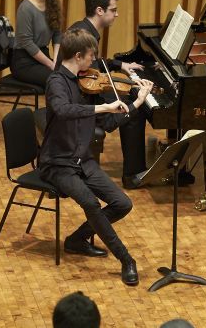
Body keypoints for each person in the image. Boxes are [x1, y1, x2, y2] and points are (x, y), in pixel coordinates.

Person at [38, 28, 154, 285]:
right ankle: (126, 260)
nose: (94, 62)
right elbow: (63, 110)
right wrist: (103, 106)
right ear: (78, 56)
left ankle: (77, 240)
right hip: (57, 163)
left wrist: (138, 102)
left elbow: (110, 124)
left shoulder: (87, 83)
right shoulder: (56, 82)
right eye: (91, 56)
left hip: (83, 160)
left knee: (122, 204)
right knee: (91, 203)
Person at [57, 0, 148, 189]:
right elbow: (84, 75)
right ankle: (133, 174)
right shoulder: (84, 35)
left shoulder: (83, 29)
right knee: (133, 110)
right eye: (113, 10)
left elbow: (93, 66)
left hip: (82, 92)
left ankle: (136, 168)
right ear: (100, 11)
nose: (117, 14)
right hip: (80, 102)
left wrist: (119, 65)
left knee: (130, 96)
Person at [11, 0, 62, 88]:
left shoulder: (52, 2)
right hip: (24, 62)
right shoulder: (25, 8)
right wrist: (51, 64)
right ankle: (59, 108)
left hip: (44, 57)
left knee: (70, 75)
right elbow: (27, 43)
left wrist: (56, 60)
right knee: (57, 80)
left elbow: (57, 34)